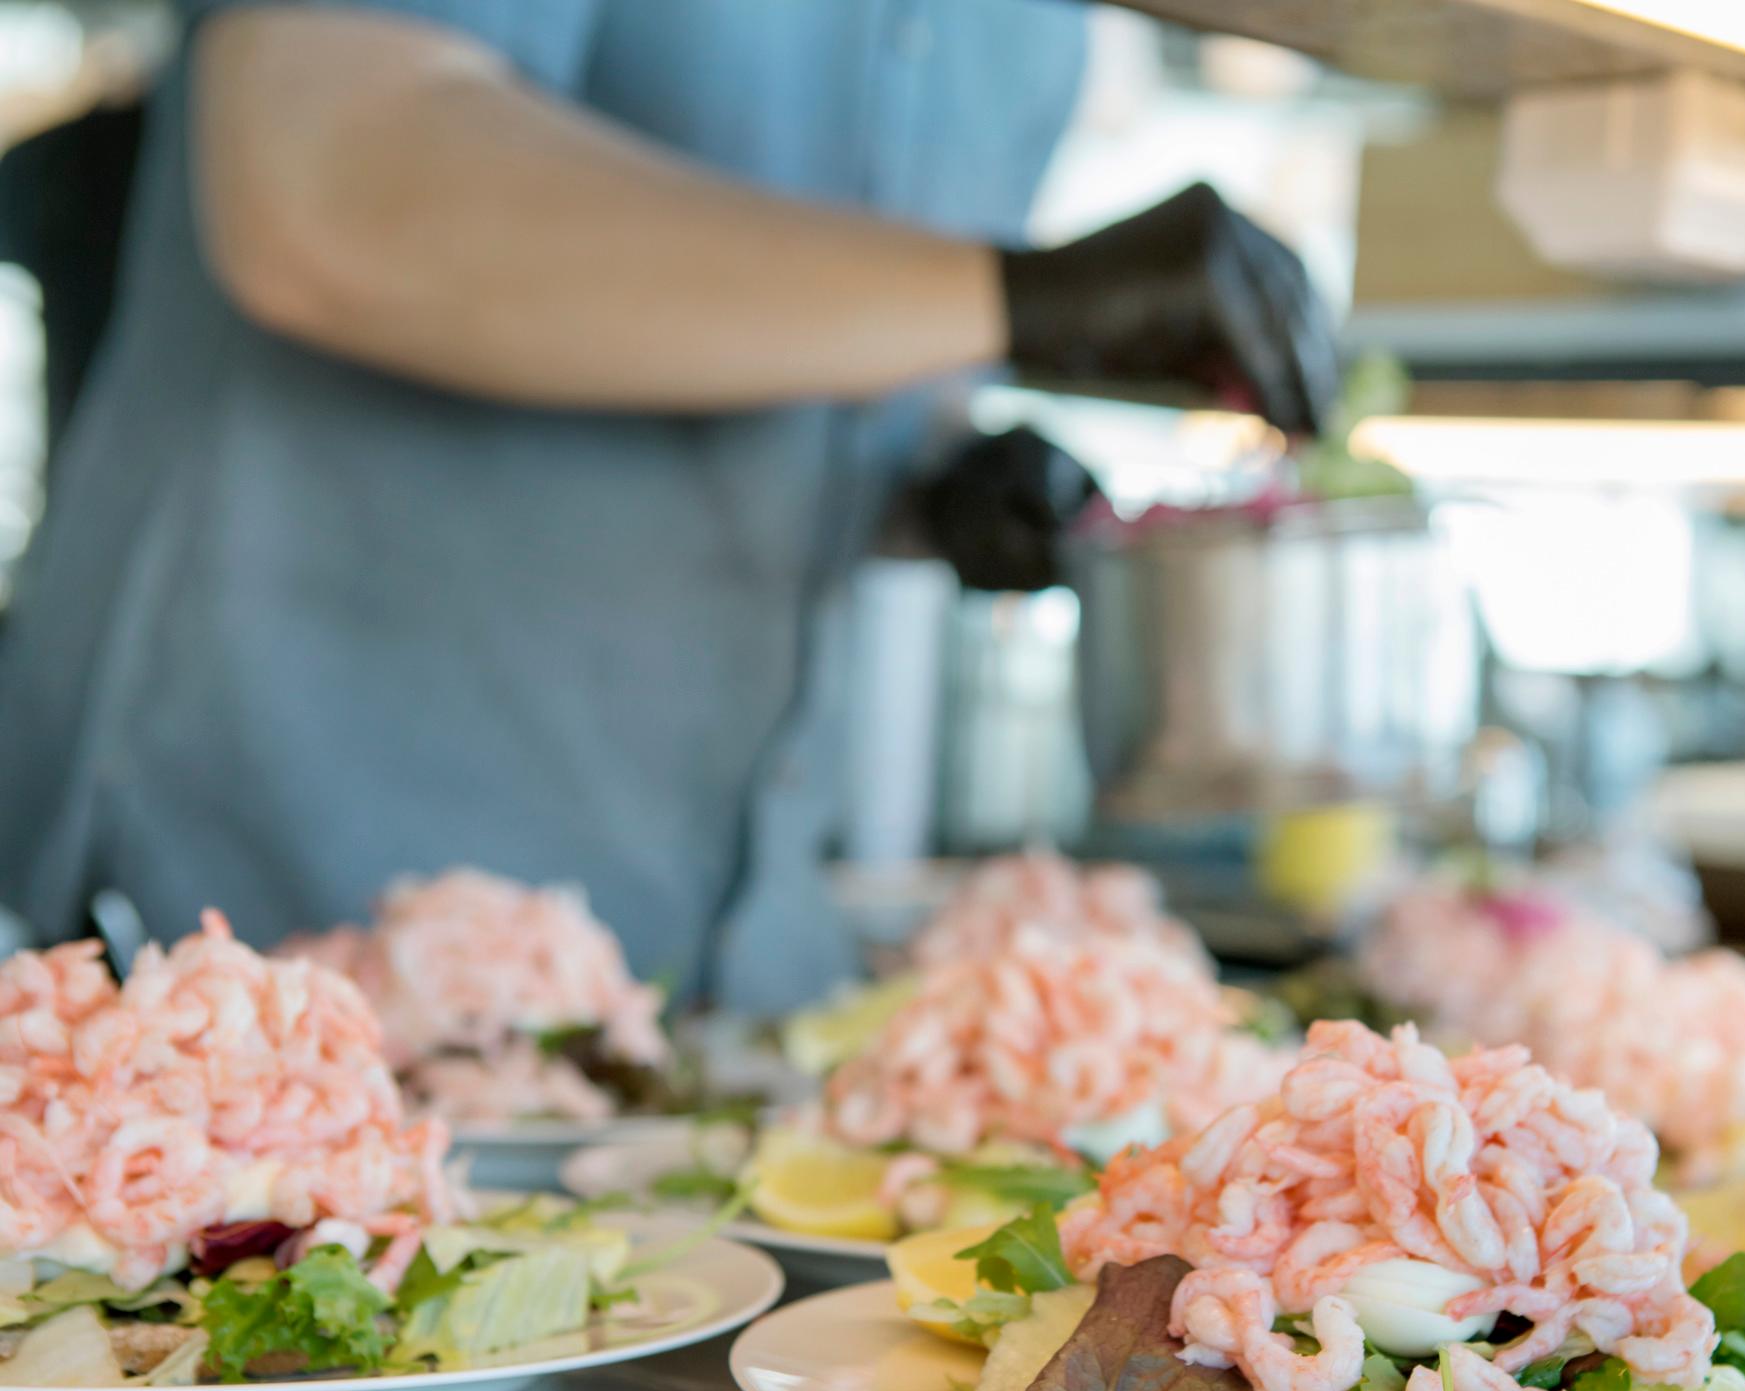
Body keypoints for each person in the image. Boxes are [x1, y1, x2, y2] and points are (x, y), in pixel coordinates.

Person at [0, 0, 1338, 1010]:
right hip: (276, 891)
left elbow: (798, 342)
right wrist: (1019, 296)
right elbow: (330, 181)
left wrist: (934, 486)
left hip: (704, 950)